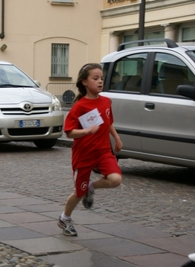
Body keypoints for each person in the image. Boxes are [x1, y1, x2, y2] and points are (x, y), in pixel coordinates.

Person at [57, 63, 123, 236]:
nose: (100, 81)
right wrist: (86, 131)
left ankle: (91, 187)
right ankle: (65, 218)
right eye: (95, 78)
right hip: (84, 155)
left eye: (101, 78)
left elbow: (108, 123)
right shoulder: (80, 106)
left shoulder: (106, 101)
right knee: (79, 192)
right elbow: (69, 132)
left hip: (103, 152)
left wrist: (116, 138)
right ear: (84, 82)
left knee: (115, 179)